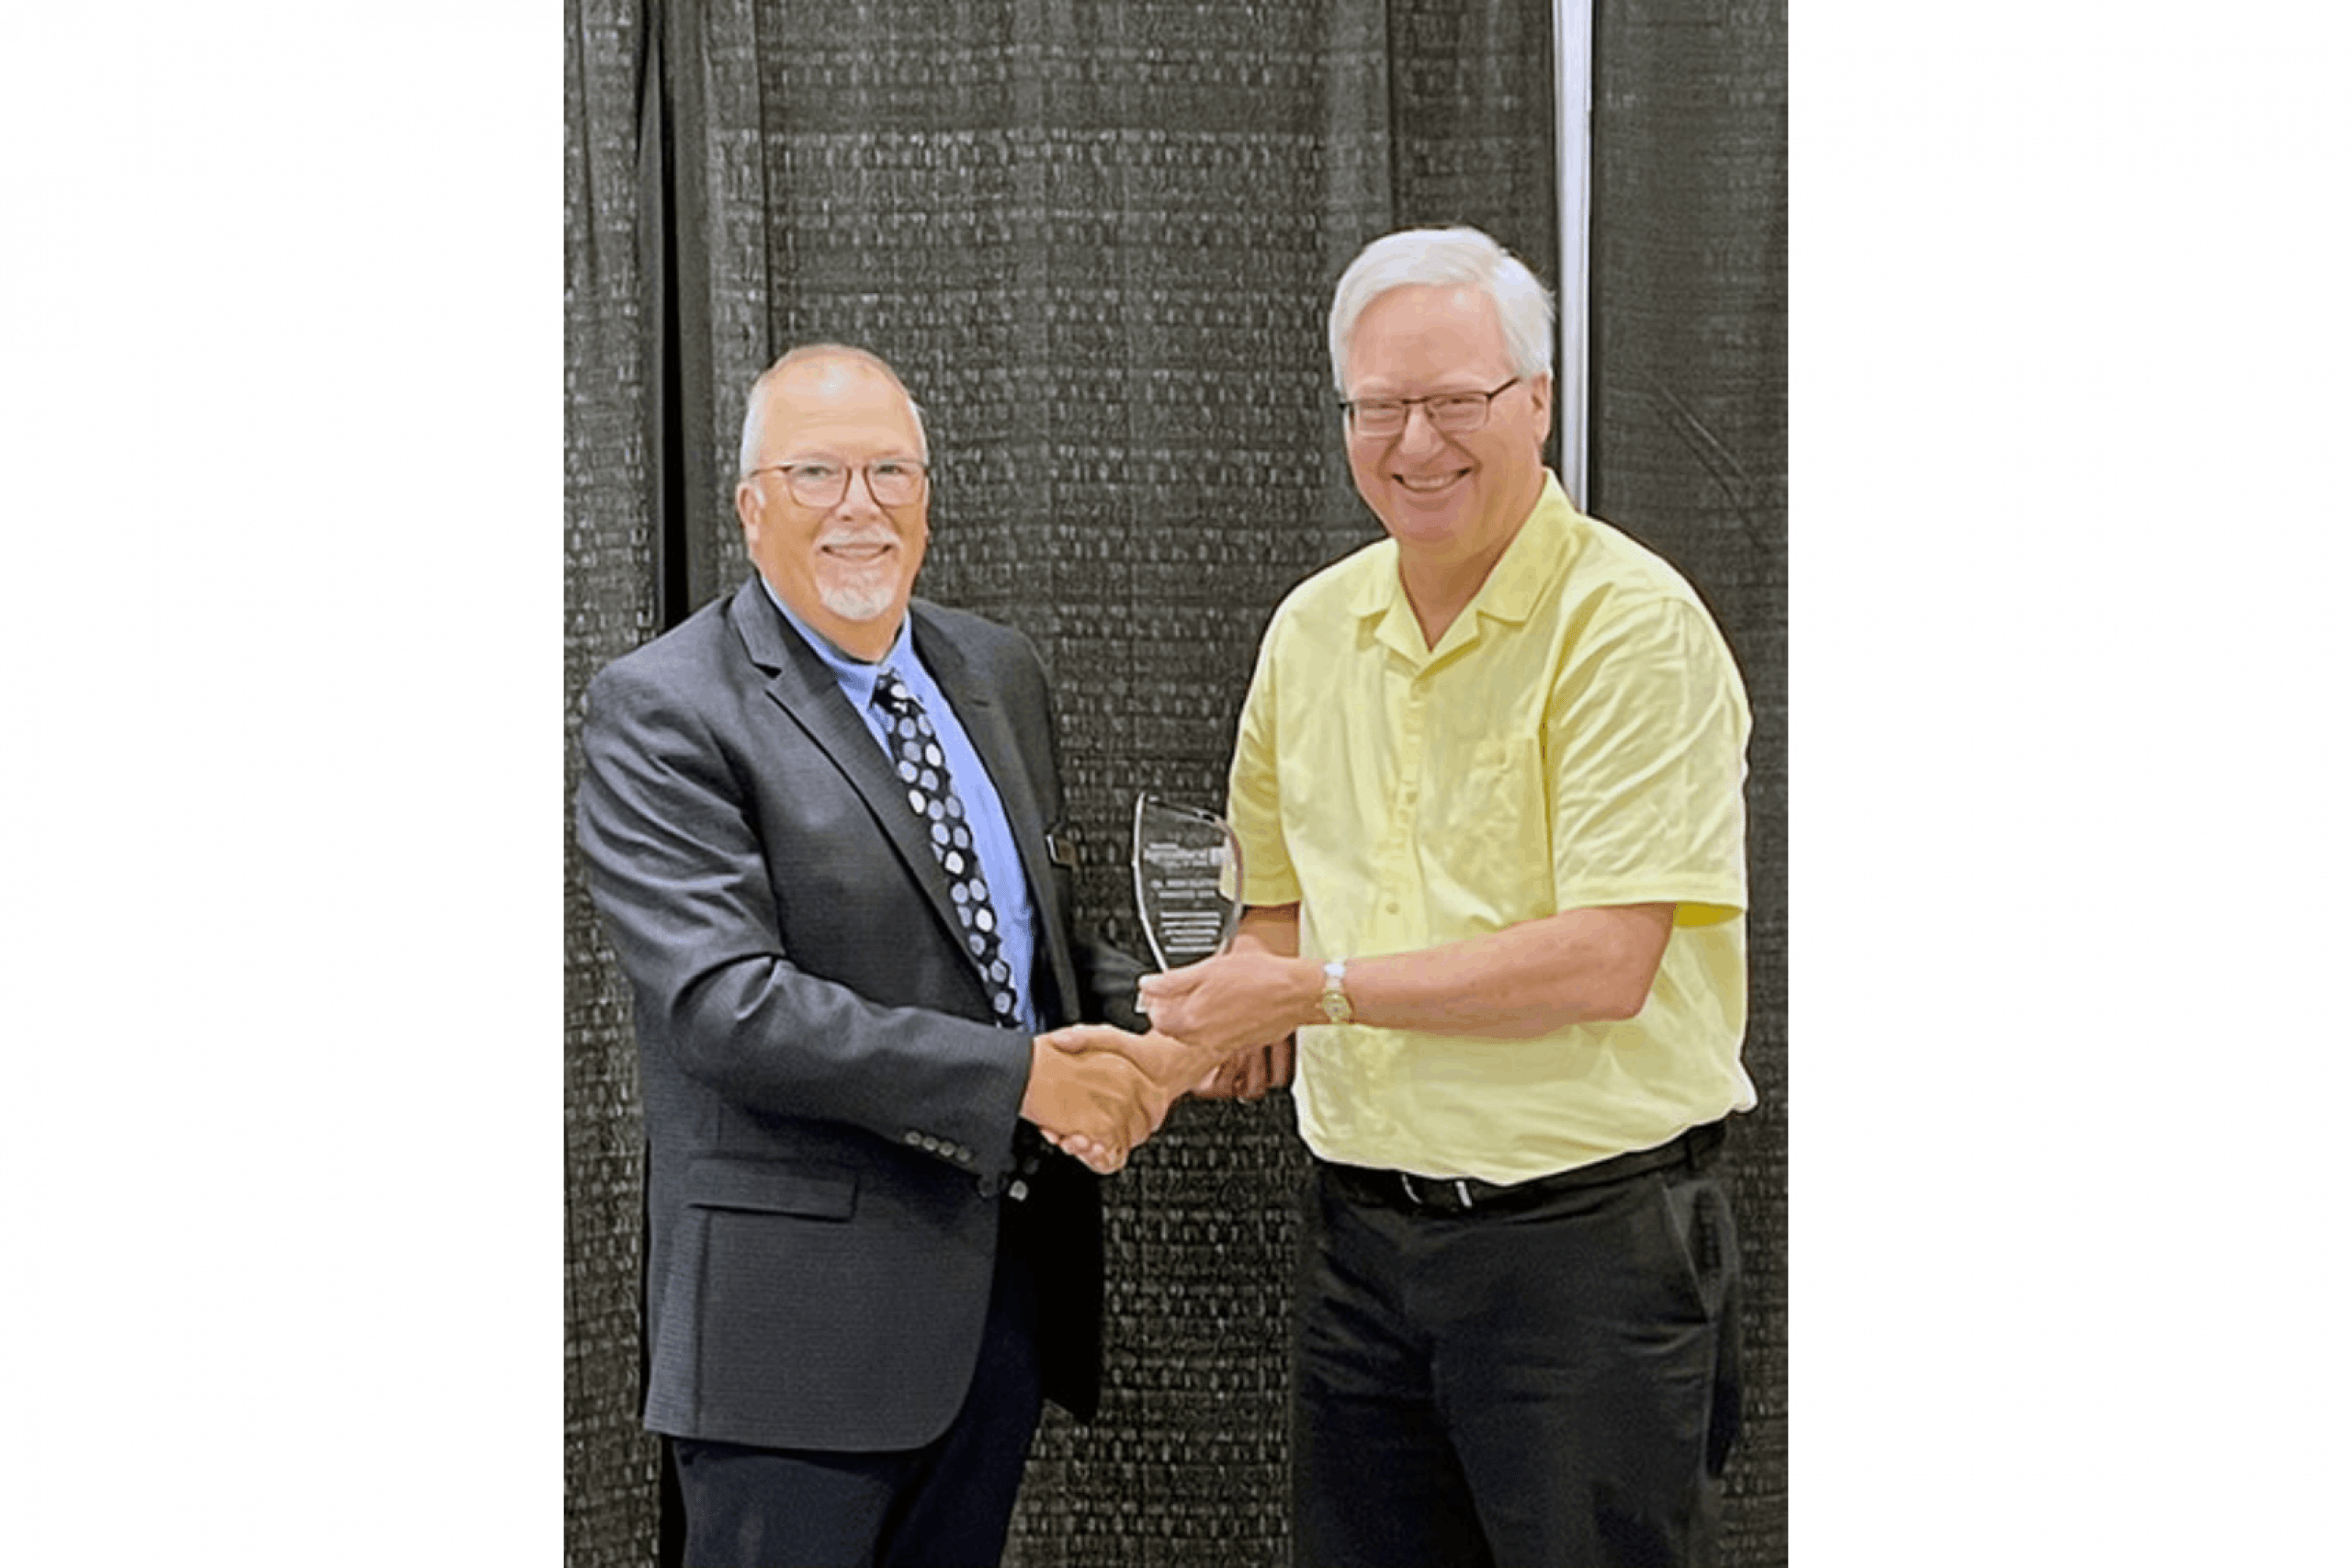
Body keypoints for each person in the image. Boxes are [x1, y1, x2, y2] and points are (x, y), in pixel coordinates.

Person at [1137, 227, 1756, 1567]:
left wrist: (1308, 995)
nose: (1416, 442)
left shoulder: (1629, 626)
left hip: (1584, 1257)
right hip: (1364, 1244)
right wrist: (1209, 1031)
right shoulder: (1310, 631)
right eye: (1379, 406)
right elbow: (1276, 900)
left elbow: (1607, 960)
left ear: (1538, 400)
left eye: (1456, 401)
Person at [575, 344, 1175, 1568]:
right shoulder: (665, 705)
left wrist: (1175, 1013)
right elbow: (723, 1007)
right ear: (751, 505)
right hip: (787, 1352)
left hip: (989, 1315)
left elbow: (1020, 951)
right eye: (816, 473)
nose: (861, 506)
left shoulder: (993, 668)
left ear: (929, 492)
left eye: (890, 470)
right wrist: (1026, 1081)